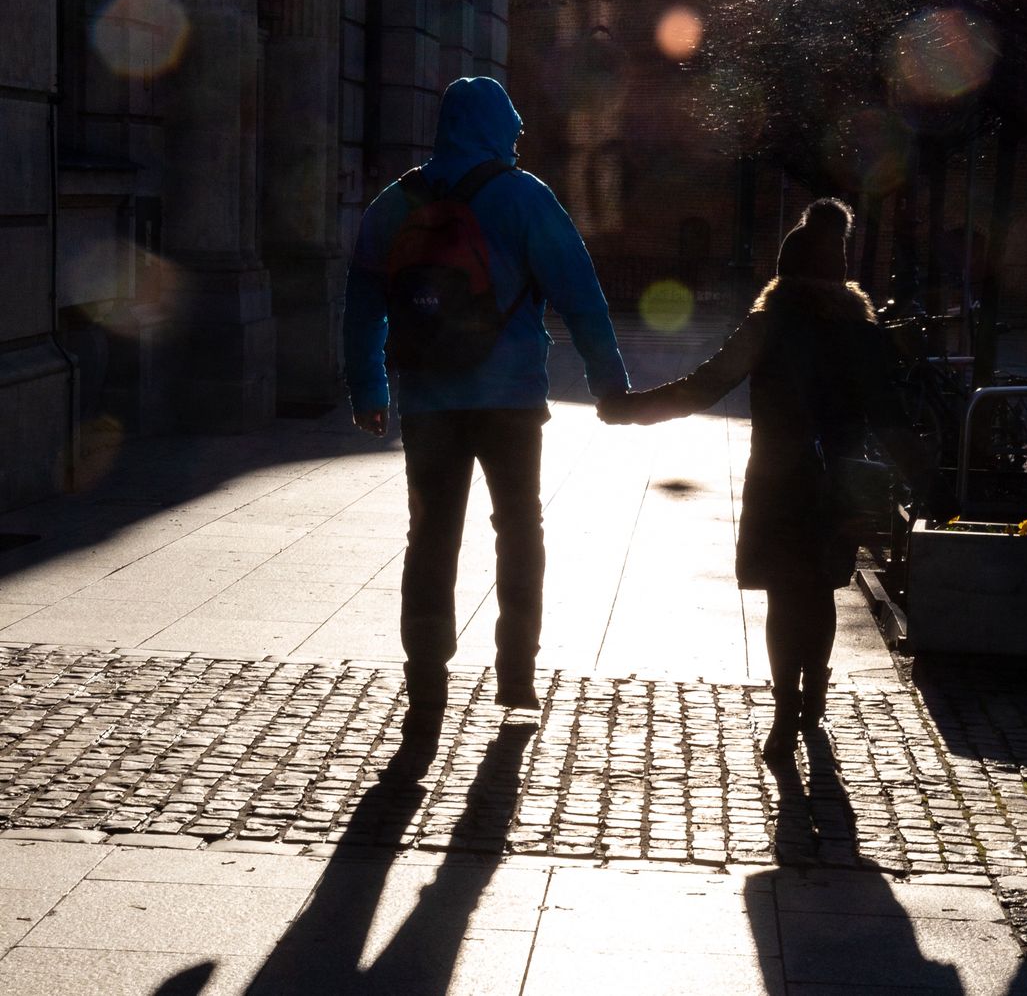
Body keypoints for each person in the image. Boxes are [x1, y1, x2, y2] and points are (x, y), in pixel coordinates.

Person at [344, 76, 629, 762]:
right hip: (509, 398)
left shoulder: (397, 201)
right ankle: (516, 675)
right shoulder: (524, 196)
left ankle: (426, 687)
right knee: (519, 529)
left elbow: (362, 299)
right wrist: (608, 380)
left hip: (429, 400)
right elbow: (579, 292)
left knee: (430, 537)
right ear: (498, 126)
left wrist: (367, 386)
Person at [598, 198, 922, 761]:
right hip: (839, 484)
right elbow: (890, 417)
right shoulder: (863, 335)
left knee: (782, 596)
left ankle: (784, 713)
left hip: (777, 480)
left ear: (784, 272)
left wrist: (628, 408)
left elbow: (703, 387)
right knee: (820, 593)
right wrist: (928, 478)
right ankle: (815, 697)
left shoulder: (766, 327)